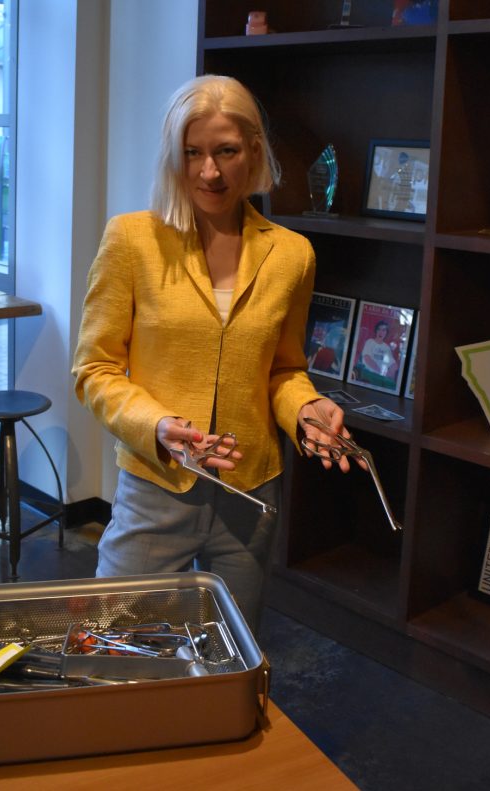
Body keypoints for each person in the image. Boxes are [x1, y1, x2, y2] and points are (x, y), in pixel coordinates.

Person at [72, 75, 362, 633]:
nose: (210, 171)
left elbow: (283, 370)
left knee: (227, 659)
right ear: (174, 157)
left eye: (226, 151)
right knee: (113, 644)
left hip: (250, 497)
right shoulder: (132, 240)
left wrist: (305, 409)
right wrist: (155, 424)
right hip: (157, 490)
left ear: (253, 151)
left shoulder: (291, 255)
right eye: (193, 153)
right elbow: (95, 369)